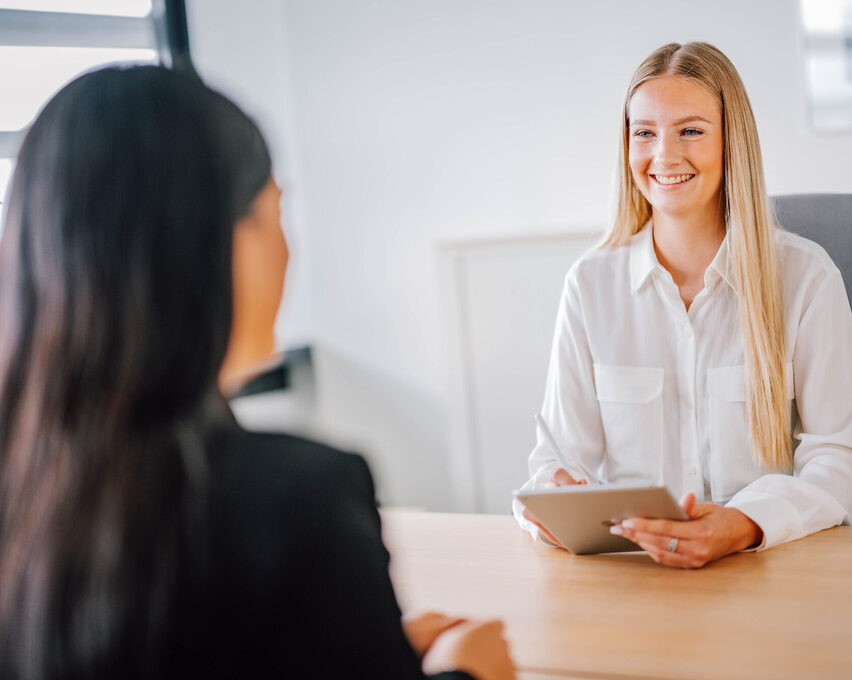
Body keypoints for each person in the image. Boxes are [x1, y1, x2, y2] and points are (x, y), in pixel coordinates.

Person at [0, 65, 514, 680]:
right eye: (273, 212)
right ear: (209, 242)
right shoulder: (297, 501)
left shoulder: (25, 486)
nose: (289, 250)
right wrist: (465, 673)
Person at [512, 42, 852, 568]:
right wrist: (553, 500)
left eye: (690, 131)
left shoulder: (806, 276)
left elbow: (840, 461)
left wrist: (744, 525)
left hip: (769, 568)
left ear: (732, 142)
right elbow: (555, 464)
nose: (664, 155)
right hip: (639, 575)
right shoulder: (590, 285)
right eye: (644, 133)